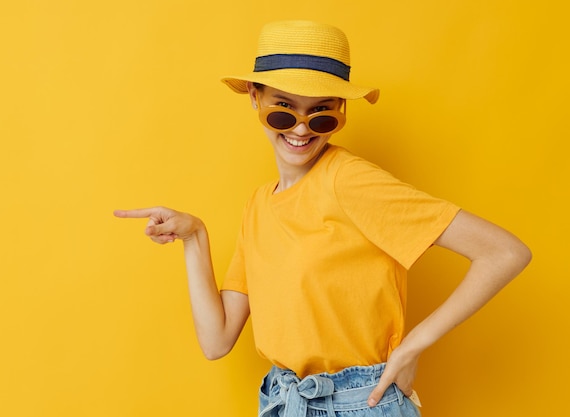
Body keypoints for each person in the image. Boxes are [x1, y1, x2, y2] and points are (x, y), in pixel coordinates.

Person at [114, 20, 531, 417]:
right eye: (283, 109)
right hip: (282, 400)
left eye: (321, 112)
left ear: (342, 112)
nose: (301, 128)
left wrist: (412, 346)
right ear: (255, 99)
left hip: (357, 403)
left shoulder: (349, 180)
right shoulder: (259, 204)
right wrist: (195, 237)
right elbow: (216, 339)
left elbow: (504, 252)